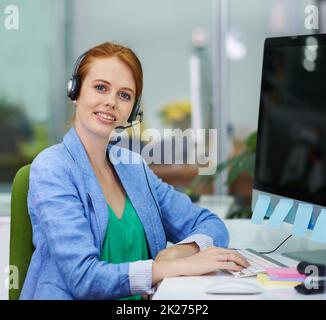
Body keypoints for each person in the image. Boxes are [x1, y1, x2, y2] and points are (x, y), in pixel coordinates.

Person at [20, 42, 249, 300]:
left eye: (124, 95)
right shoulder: (53, 168)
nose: (111, 102)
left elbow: (210, 223)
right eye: (100, 87)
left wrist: (185, 249)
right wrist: (170, 268)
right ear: (75, 92)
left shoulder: (133, 167)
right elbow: (84, 278)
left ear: (133, 110)